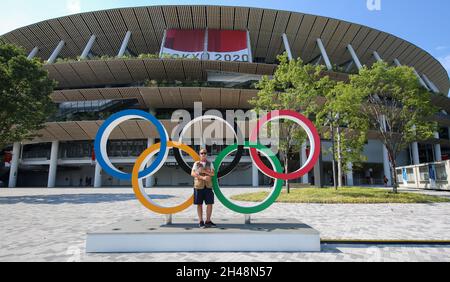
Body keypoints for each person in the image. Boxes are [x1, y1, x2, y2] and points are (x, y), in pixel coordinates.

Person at [191, 148, 217, 229]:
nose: (203, 154)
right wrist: (202, 178)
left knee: (210, 204)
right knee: (199, 204)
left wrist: (205, 172)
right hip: (198, 186)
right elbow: (192, 173)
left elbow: (213, 173)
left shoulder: (210, 163)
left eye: (205, 153)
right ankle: (201, 221)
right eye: (202, 153)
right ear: (199, 154)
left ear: (206, 154)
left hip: (208, 186)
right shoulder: (196, 163)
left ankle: (208, 221)